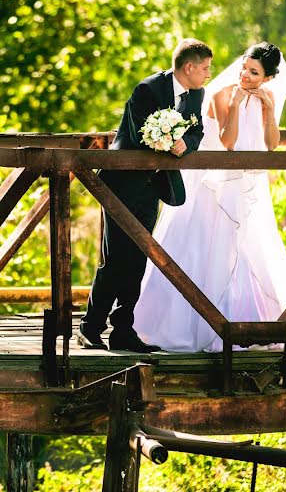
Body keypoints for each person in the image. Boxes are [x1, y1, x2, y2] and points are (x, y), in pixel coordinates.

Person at [133, 42, 286, 352]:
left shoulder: (268, 97)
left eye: (254, 72)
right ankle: (198, 323)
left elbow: (272, 144)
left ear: (268, 78)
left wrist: (270, 110)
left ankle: (242, 320)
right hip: (217, 182)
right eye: (245, 67)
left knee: (246, 249)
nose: (245, 75)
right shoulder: (221, 94)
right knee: (210, 248)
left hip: (249, 183)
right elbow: (229, 142)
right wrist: (234, 105)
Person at [77, 39, 213, 352]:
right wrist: (169, 141)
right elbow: (142, 135)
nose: (207, 75)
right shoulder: (148, 90)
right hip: (122, 183)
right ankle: (90, 327)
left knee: (138, 258)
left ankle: (123, 331)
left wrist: (184, 144)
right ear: (189, 67)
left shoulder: (197, 93)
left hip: (153, 186)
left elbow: (196, 131)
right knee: (115, 260)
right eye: (204, 68)